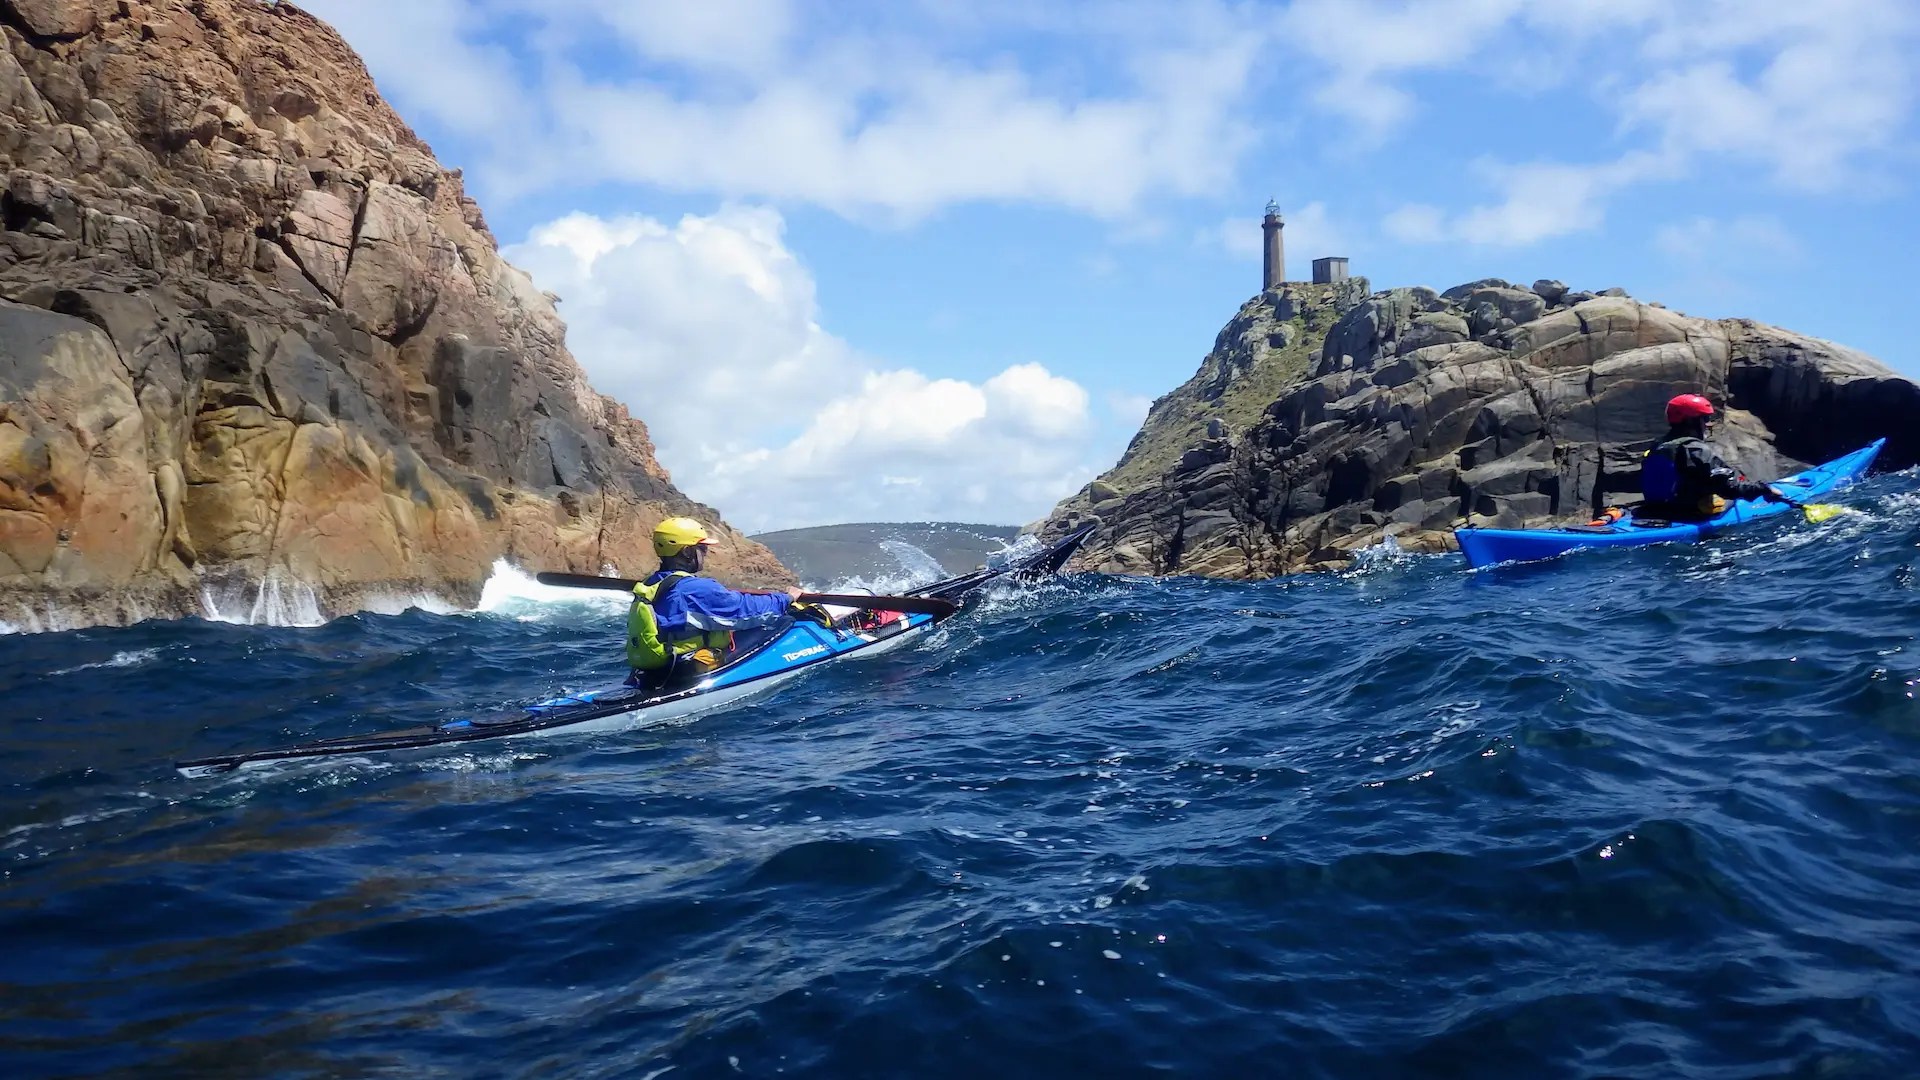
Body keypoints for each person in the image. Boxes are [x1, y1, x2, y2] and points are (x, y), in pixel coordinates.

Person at [627, 517, 802, 683]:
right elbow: (745, 611)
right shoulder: (693, 589)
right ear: (687, 552)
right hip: (685, 672)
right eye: (702, 548)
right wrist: (785, 598)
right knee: (785, 622)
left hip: (659, 671)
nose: (706, 553)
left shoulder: (652, 583)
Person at [1638, 394, 1787, 521]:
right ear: (1691, 421)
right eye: (1706, 418)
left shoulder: (1659, 445)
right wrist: (1762, 489)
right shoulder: (1695, 449)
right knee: (1725, 500)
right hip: (1688, 515)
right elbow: (1728, 488)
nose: (1709, 424)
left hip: (1654, 511)